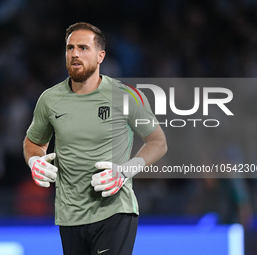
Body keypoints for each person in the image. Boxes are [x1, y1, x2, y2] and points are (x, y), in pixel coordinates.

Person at [23, 22, 167, 255]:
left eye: (83, 48)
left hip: (114, 210)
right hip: (70, 216)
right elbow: (34, 142)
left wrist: (125, 171)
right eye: (70, 48)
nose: (75, 54)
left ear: (101, 56)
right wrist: (34, 161)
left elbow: (158, 142)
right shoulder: (49, 99)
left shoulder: (125, 96)